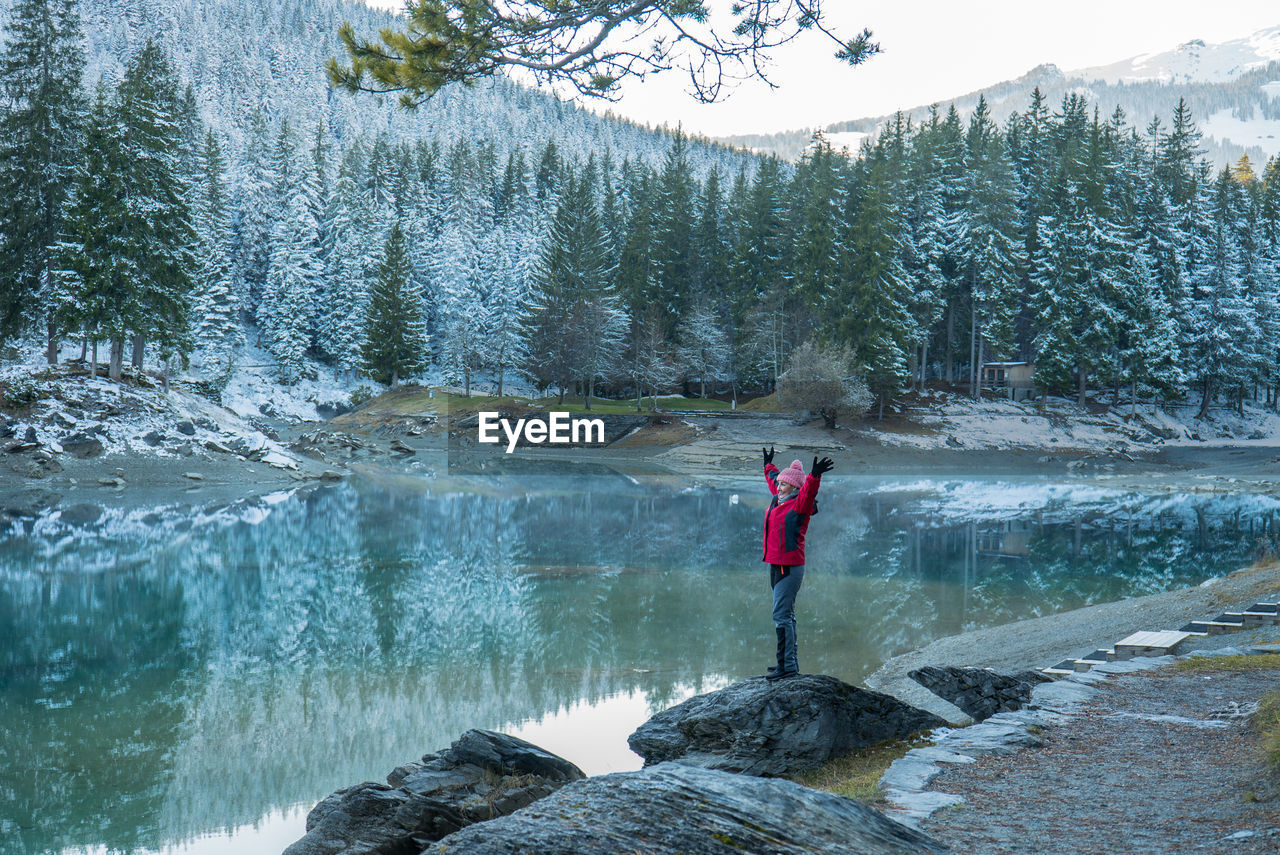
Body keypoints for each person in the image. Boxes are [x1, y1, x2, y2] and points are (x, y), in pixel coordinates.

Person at [761, 446, 834, 680]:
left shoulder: (799, 505)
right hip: (775, 563)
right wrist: (768, 466)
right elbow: (774, 480)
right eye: (780, 484)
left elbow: (808, 493)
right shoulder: (779, 498)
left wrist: (815, 475)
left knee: (781, 615)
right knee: (786, 614)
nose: (778, 487)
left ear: (794, 487)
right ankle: (786, 663)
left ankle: (788, 667)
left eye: (784, 484)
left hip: (789, 566)